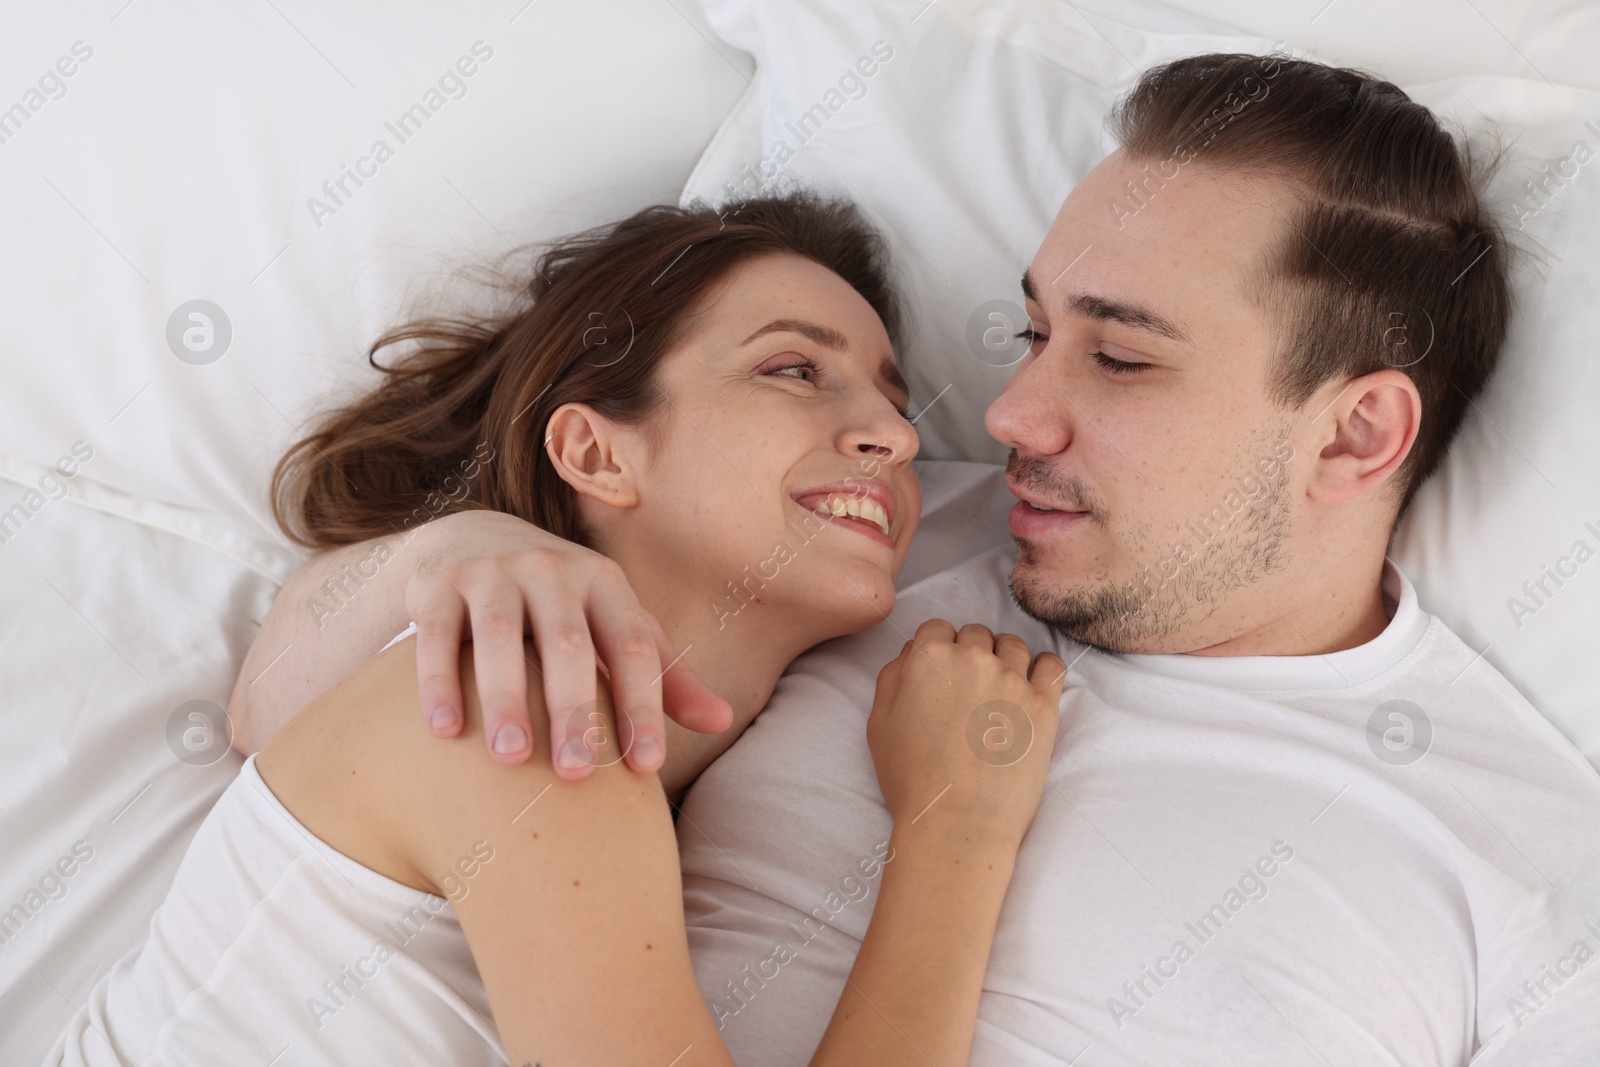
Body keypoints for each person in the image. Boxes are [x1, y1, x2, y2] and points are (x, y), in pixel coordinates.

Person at [236, 53, 1600, 1064]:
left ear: (1358, 431)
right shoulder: (876, 541)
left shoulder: (1521, 856)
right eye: (1032, 334)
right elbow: (300, 718)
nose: (999, 417)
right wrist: (459, 550)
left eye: (1120, 356)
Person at [45, 194, 1068, 1066]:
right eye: (794, 369)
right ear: (594, 449)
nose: (894, 437)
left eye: (896, 401)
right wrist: (955, 831)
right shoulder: (525, 707)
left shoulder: (621, 770)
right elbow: (261, 707)